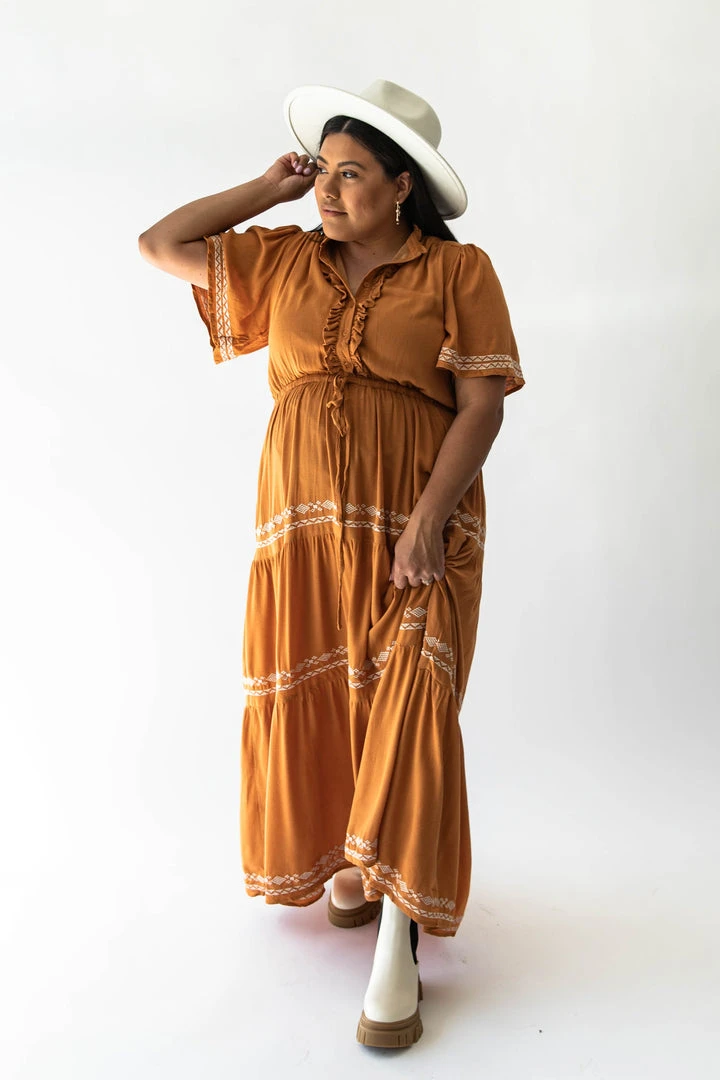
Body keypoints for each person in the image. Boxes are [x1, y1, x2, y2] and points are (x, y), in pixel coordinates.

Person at [138, 78, 524, 1048]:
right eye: (324, 172)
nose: (328, 189)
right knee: (332, 693)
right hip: (302, 531)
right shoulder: (286, 261)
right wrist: (264, 189)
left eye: (352, 175)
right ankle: (352, 864)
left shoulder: (457, 271)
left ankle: (399, 935)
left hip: (416, 527)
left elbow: (482, 406)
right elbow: (160, 244)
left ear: (403, 186)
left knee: (412, 701)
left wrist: (429, 520)